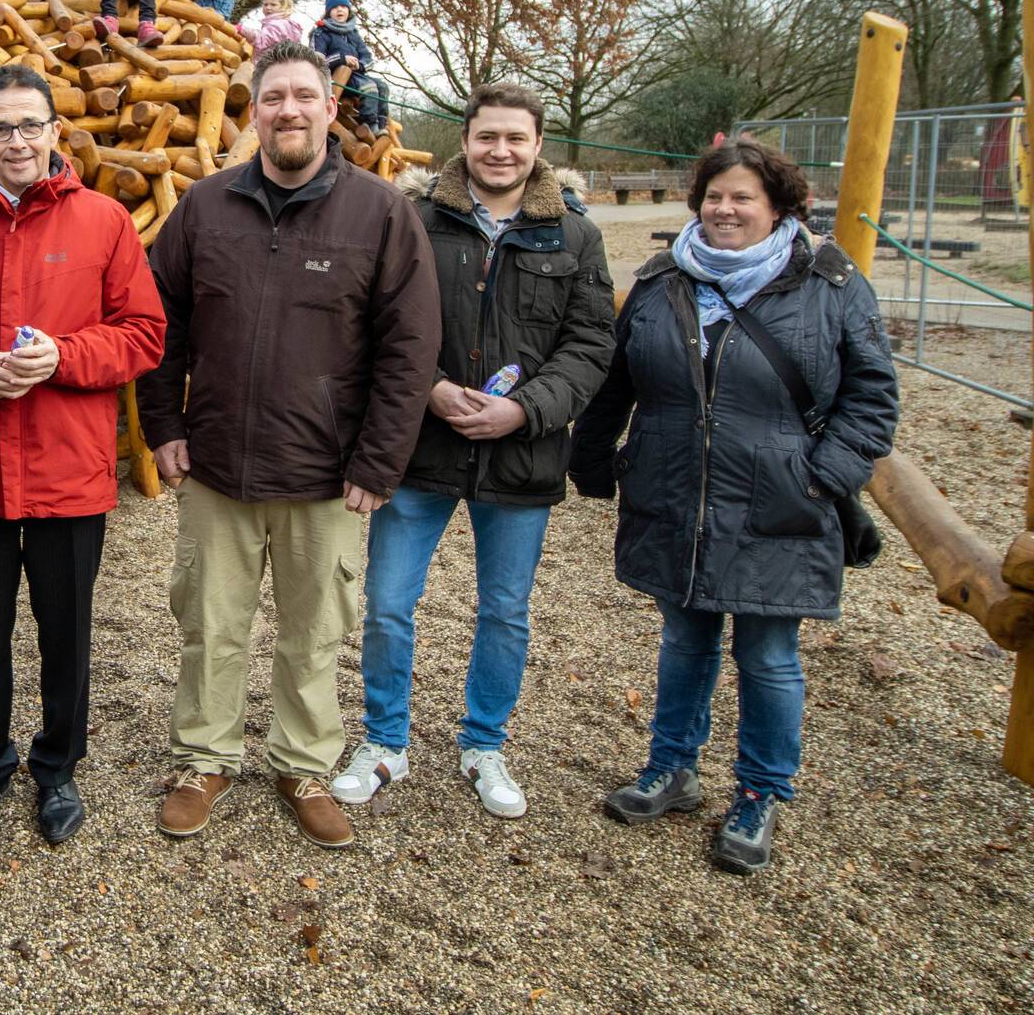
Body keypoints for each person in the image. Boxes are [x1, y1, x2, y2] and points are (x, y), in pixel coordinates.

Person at [139, 42, 441, 849]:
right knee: (210, 623)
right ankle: (204, 758)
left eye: (305, 96)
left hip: (326, 475)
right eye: (273, 98)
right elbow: (160, 325)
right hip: (218, 466)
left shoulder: (380, 213)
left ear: (330, 108)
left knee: (315, 632)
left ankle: (303, 765)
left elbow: (410, 348)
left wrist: (378, 460)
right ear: (254, 113)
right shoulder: (204, 207)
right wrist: (163, 425)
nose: (289, 111)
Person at [570, 138, 898, 874]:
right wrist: (591, 459)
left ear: (778, 206)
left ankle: (759, 790)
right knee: (685, 640)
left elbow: (872, 395)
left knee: (768, 655)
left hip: (781, 496)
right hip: (677, 490)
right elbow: (617, 379)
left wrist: (824, 476)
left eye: (743, 197)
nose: (725, 209)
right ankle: (672, 766)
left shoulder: (831, 285)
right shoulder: (663, 279)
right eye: (714, 196)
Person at [332, 83, 614, 821]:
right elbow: (375, 320)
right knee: (389, 602)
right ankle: (385, 738)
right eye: (487, 136)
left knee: (506, 610)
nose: (500, 150)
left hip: (522, 452)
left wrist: (526, 409)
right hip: (421, 445)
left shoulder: (574, 235)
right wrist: (426, 388)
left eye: (515, 138)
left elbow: (590, 344)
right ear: (465, 140)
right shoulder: (417, 220)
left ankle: (485, 743)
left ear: (538, 145)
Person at [0, 66, 166, 847]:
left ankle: (57, 767)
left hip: (68, 470)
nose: (17, 140)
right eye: (1, 127)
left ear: (56, 130)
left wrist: (64, 355)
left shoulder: (105, 221)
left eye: (30, 124)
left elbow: (144, 334)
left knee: (67, 632)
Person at [308, 0, 388, 132]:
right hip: (335, 78)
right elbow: (315, 61)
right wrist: (341, 59)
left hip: (356, 74)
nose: (340, 9)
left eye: (343, 7)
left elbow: (368, 58)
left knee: (382, 86)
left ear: (348, 11)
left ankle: (382, 124)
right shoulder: (321, 32)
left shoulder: (353, 33)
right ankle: (369, 124)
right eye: (335, 7)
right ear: (329, 12)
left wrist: (360, 65)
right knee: (369, 88)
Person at [240, 0, 305, 49]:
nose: (268, 8)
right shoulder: (289, 25)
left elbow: (263, 40)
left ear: (284, 6)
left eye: (273, 5)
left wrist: (242, 29)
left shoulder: (277, 24)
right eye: (265, 4)